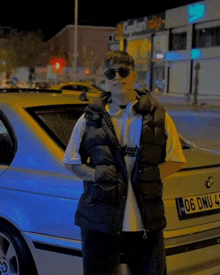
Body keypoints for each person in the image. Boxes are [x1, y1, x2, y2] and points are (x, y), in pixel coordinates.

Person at [62, 50, 187, 275]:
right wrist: (96, 175)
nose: (117, 77)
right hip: (100, 224)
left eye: (123, 71)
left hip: (146, 224)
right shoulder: (90, 118)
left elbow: (176, 159)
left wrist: (151, 175)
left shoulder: (158, 117)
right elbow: (70, 161)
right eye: (111, 73)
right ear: (105, 78)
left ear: (133, 74)